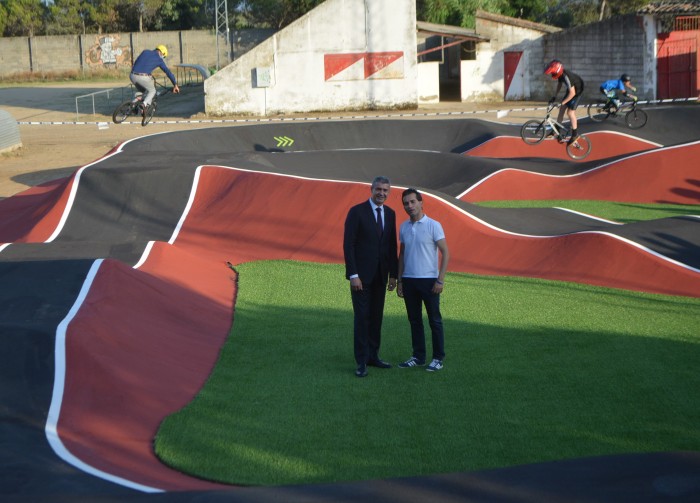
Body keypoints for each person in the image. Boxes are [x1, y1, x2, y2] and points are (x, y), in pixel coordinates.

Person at [343, 176, 399, 378]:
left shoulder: (391, 214)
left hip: (381, 276)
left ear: (389, 192)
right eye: (378, 189)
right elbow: (349, 245)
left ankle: (373, 356)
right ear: (371, 189)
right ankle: (361, 362)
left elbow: (392, 246)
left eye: (385, 190)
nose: (381, 193)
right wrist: (353, 275)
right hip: (361, 277)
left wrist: (394, 274)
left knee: (376, 318)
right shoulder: (357, 212)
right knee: (362, 319)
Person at [396, 188, 449, 372]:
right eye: (405, 203)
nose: (409, 206)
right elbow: (402, 254)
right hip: (409, 281)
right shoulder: (403, 227)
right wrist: (400, 281)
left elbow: (446, 253)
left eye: (412, 202)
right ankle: (418, 356)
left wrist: (440, 280)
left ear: (421, 202)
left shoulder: (434, 225)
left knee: (434, 320)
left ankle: (438, 358)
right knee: (414, 320)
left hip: (429, 281)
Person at [130, 45, 180, 115]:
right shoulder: (160, 60)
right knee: (152, 91)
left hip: (132, 75)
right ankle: (143, 104)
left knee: (143, 91)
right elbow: (168, 72)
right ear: (161, 53)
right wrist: (175, 84)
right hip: (142, 77)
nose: (163, 57)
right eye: (164, 56)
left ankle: (133, 104)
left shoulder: (145, 51)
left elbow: (138, 62)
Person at [544, 59, 584, 145]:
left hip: (577, 93)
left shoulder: (567, 76)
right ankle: (556, 130)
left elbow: (572, 93)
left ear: (557, 71)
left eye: (553, 73)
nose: (552, 74)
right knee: (561, 109)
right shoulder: (561, 75)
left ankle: (575, 134)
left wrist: (562, 102)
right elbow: (560, 84)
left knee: (570, 113)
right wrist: (555, 96)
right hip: (571, 91)